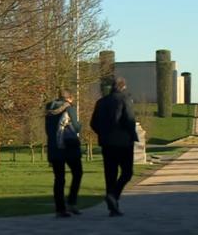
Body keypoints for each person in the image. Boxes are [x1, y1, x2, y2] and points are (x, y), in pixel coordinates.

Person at [90, 77, 138, 217]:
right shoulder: (125, 99)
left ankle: (112, 206)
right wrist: (131, 135)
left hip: (107, 143)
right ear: (123, 87)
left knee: (110, 175)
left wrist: (103, 134)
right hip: (123, 143)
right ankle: (113, 195)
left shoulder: (101, 102)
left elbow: (93, 123)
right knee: (127, 172)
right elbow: (129, 120)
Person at [45, 89, 83, 218]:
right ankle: (72, 202)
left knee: (59, 179)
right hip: (69, 147)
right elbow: (77, 127)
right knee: (77, 173)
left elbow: (48, 131)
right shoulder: (69, 108)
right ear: (69, 98)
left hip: (54, 148)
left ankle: (60, 209)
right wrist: (78, 125)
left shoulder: (49, 110)